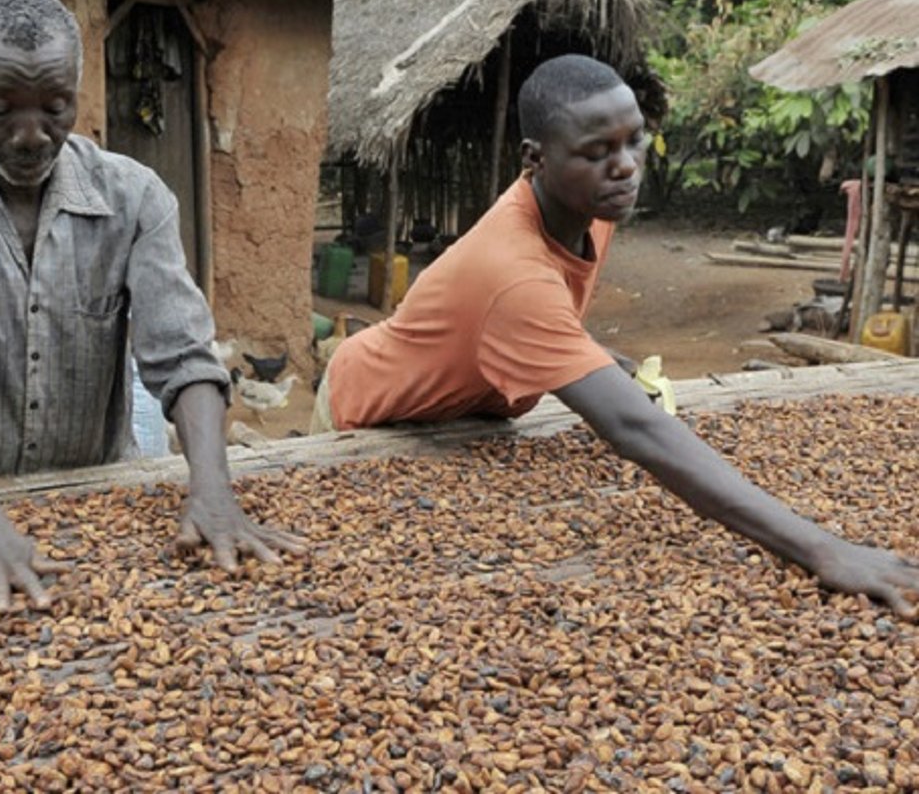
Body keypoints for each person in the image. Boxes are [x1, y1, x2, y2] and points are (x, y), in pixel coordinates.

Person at [312, 54, 919, 616]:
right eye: (597, 150)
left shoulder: (587, 211)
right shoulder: (511, 273)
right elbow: (633, 428)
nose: (626, 165)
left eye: (634, 140)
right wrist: (823, 550)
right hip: (368, 411)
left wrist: (599, 358)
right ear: (535, 157)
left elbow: (550, 320)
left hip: (462, 413)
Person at [0, 0, 303, 612]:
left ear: (79, 87)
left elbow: (183, 358)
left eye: (56, 107)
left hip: (102, 496)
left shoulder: (134, 198)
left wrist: (213, 490)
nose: (30, 134)